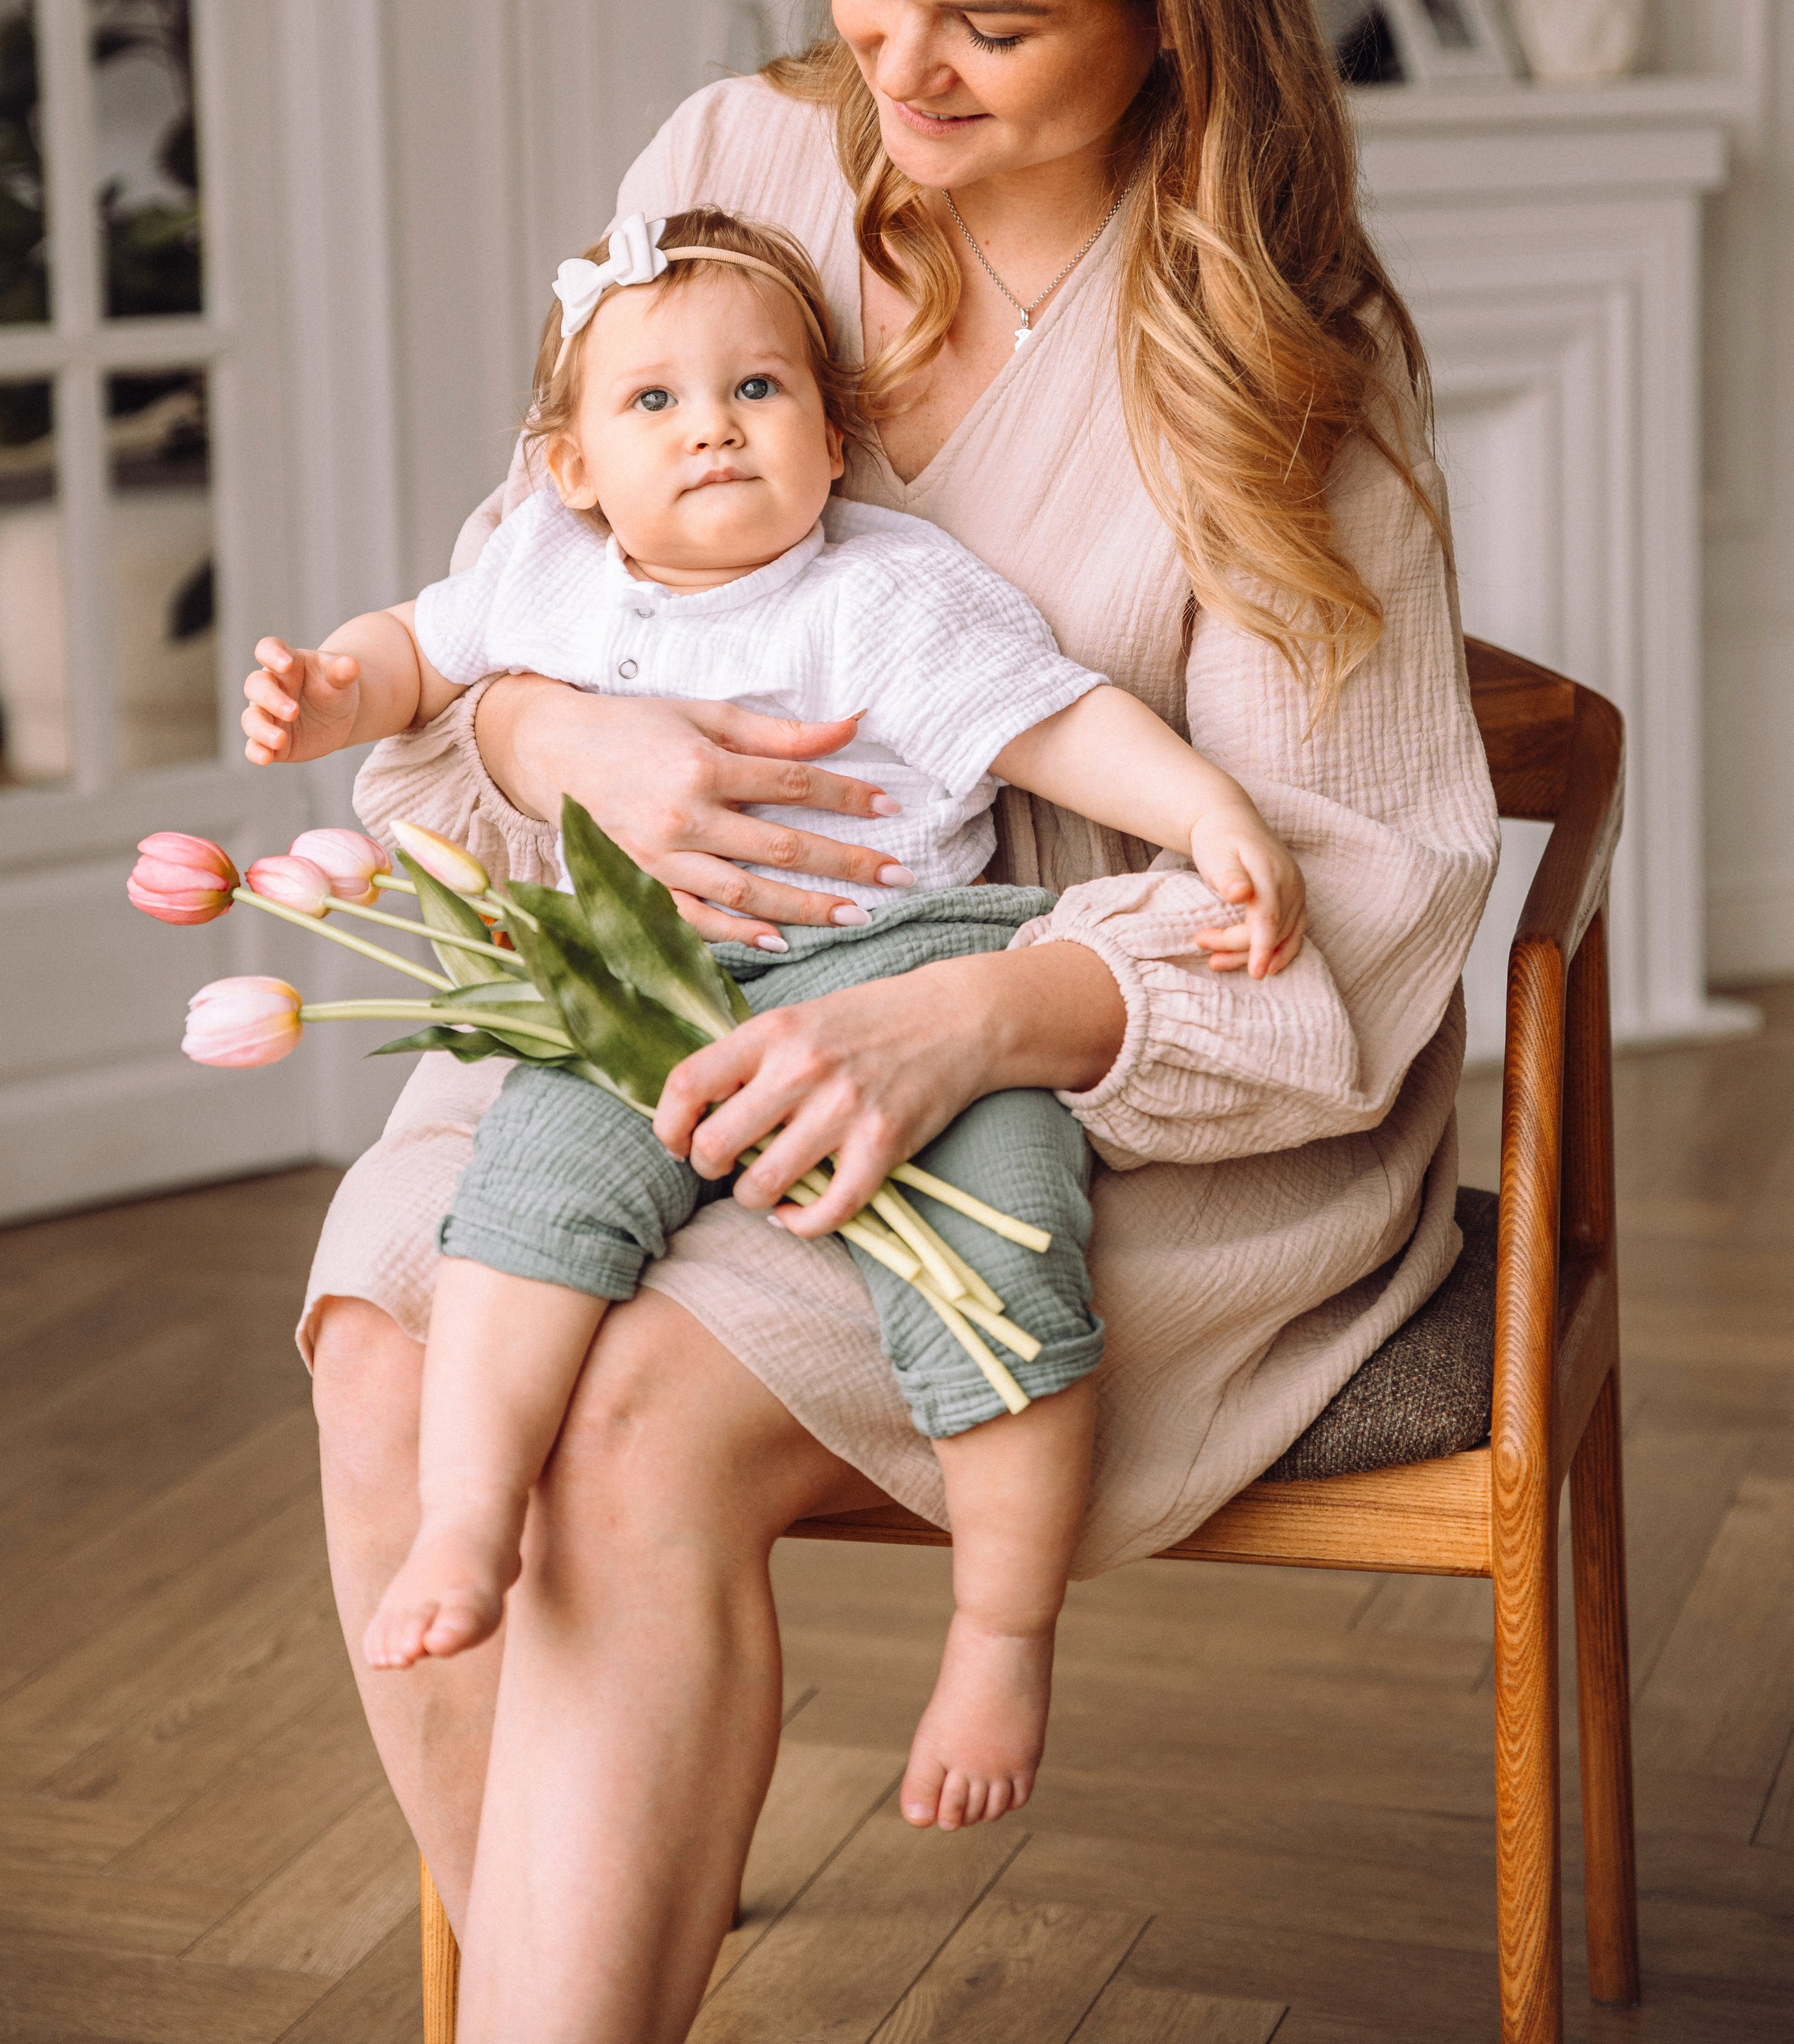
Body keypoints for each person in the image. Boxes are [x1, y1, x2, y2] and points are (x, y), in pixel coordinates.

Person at [300, 0, 1499, 2040]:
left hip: (1108, 1099)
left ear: (1172, 6)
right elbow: (520, 581)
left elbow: (1352, 908)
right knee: (386, 1349)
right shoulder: (727, 168)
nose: (898, 67)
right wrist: (554, 740)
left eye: (992, 23)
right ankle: (570, 1968)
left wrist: (966, 1021)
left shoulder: (1285, 359)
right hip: (658, 976)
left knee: (629, 1424)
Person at [245, 201, 1308, 1826]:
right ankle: (467, 1515)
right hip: (645, 981)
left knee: (1005, 1244)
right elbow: (415, 652)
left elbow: (1056, 724)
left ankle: (1000, 1634)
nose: (713, 428)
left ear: (831, 436)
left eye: (757, 389)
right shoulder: (544, 575)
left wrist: (1203, 811)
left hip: (904, 967)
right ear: (572, 467)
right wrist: (334, 689)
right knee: (524, 1199)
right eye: (653, 400)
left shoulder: (881, 593)